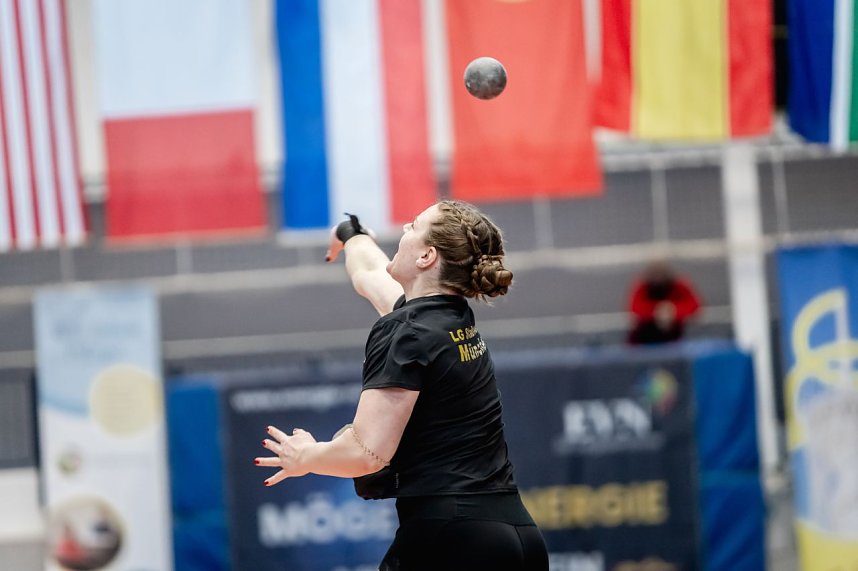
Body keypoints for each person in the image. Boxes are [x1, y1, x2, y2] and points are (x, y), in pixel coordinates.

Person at [255, 201, 548, 571]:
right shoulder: (445, 316)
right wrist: (353, 234)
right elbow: (370, 275)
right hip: (517, 536)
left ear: (426, 256)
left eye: (412, 226)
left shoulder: (406, 332)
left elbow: (368, 452)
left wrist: (306, 456)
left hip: (451, 539)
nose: (403, 232)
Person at [626, 260, 702, 345]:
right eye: (655, 275)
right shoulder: (642, 286)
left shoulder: (679, 285)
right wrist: (657, 311)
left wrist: (672, 311)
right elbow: (634, 308)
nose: (658, 279)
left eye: (661, 275)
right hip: (645, 333)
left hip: (676, 332)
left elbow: (694, 306)